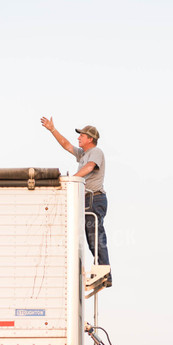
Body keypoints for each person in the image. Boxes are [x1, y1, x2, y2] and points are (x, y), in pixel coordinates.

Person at [41, 116, 111, 285]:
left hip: (95, 198)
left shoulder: (96, 152)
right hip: (87, 199)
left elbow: (89, 167)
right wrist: (52, 130)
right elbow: (66, 145)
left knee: (95, 234)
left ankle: (105, 272)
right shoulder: (83, 153)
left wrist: (71, 180)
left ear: (90, 139)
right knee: (90, 237)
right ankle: (100, 270)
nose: (78, 138)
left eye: (82, 135)